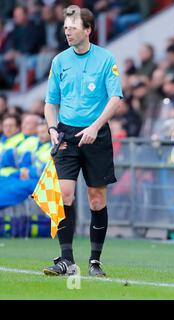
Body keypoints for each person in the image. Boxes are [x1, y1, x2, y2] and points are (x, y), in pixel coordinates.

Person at [42, 5, 123, 277]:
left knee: (96, 199)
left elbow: (115, 98)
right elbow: (50, 102)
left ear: (88, 30)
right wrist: (52, 128)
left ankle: (95, 261)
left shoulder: (105, 58)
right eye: (65, 27)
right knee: (64, 193)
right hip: (65, 134)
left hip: (96, 134)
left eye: (73, 27)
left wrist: (95, 126)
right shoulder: (59, 61)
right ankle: (66, 259)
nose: (67, 31)